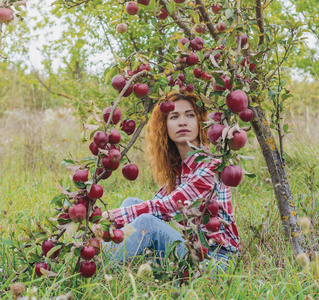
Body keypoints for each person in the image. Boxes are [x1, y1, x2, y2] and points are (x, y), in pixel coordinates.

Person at [102, 92, 239, 272]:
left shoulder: (210, 166)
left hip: (215, 259)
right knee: (132, 204)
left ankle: (100, 266)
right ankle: (104, 253)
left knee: (145, 221)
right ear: (165, 127)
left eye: (190, 115)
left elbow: (166, 207)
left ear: (201, 123)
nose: (182, 122)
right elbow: (155, 204)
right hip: (193, 249)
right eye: (174, 117)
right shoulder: (180, 169)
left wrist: (113, 216)